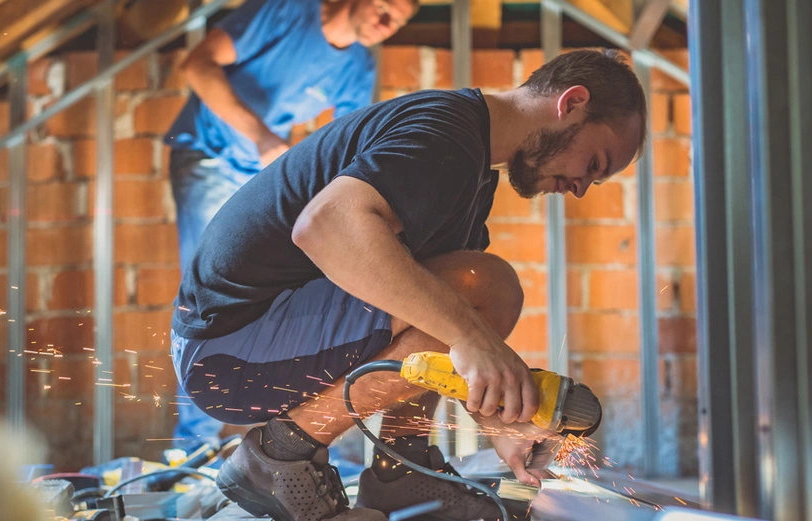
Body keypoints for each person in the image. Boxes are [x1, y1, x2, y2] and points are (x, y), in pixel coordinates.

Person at [171, 49, 646, 521]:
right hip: (226, 350)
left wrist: (503, 424)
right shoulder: (445, 133)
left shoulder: (470, 166)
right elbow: (325, 226)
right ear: (572, 103)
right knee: (488, 288)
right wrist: (475, 340)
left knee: (465, 294)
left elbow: (438, 325)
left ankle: (400, 471)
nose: (582, 187)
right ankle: (279, 455)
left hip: (245, 344)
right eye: (596, 163)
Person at [164, 0, 418, 450]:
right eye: (384, 8)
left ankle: (284, 444)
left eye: (398, 21)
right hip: (210, 154)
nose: (386, 24)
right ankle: (191, 445)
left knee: (279, 296)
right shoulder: (287, 12)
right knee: (204, 304)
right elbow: (197, 65)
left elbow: (349, 144)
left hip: (258, 175)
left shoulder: (358, 66)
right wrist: (261, 136)